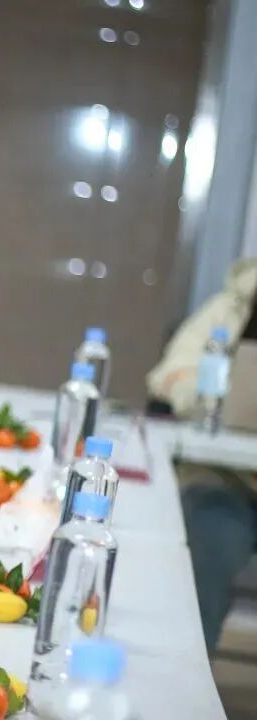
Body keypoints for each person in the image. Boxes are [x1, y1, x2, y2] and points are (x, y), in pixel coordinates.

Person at [148, 258, 257, 652]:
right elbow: (170, 373)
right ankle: (186, 663)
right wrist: (207, 397)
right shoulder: (233, 304)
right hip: (225, 478)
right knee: (209, 538)